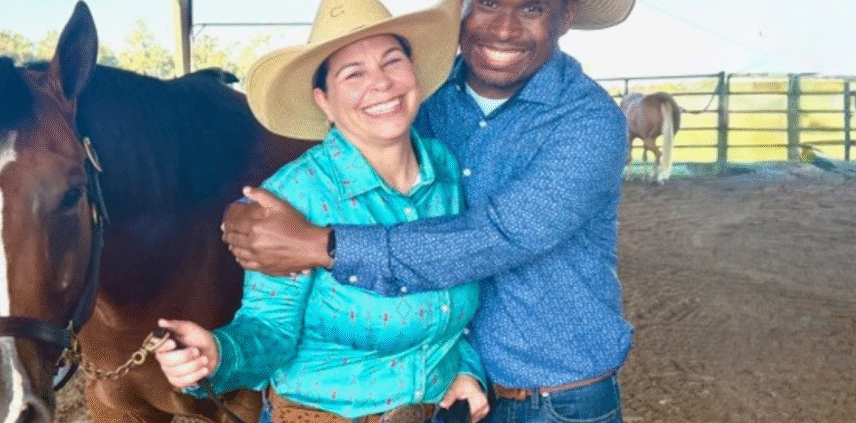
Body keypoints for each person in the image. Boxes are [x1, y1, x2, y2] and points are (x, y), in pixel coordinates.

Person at [219, 0, 637, 422]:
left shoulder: (590, 122)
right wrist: (249, 217)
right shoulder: (421, 99)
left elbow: (499, 236)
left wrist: (325, 245)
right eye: (489, 2)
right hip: (452, 394)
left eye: (531, 8)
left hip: (555, 396)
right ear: (462, 8)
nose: (505, 29)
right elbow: (344, 154)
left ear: (565, 17)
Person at [155, 0, 491, 422]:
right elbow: (270, 331)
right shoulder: (295, 197)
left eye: (393, 62)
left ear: (414, 73)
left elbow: (454, 305)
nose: (382, 83)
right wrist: (217, 354)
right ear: (325, 101)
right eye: (354, 73)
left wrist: (464, 370)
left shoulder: (446, 171)